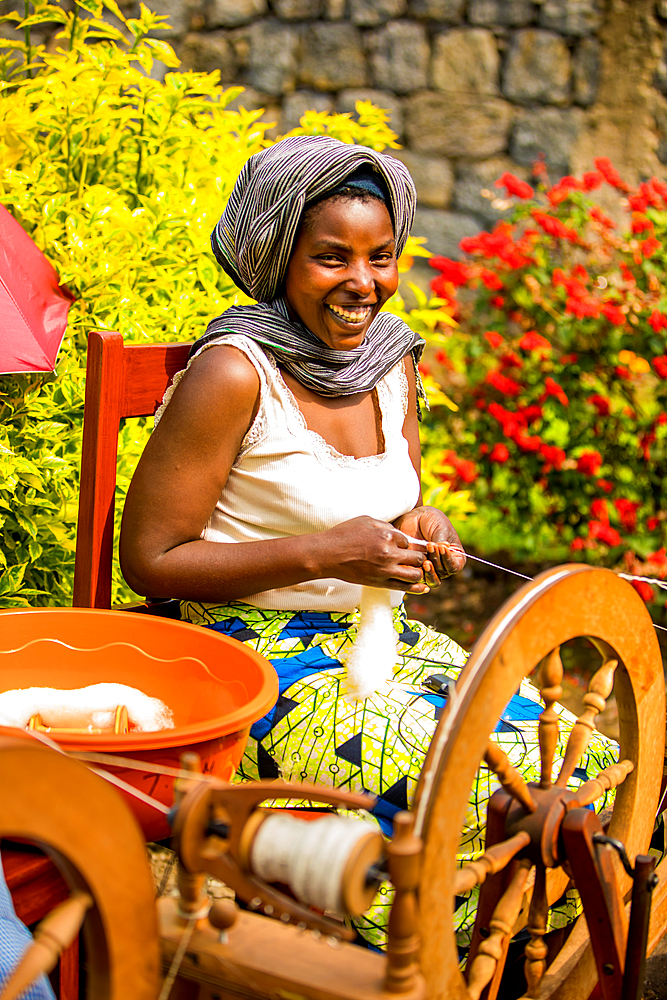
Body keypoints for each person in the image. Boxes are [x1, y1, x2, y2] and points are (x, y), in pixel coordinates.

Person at [120, 135, 618, 952]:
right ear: (280, 259)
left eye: (380, 257)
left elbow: (400, 509)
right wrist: (321, 554)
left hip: (377, 640)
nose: (364, 283)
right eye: (330, 258)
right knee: (451, 786)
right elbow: (149, 561)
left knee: (572, 761)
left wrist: (422, 530)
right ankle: (421, 958)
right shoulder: (235, 372)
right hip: (246, 661)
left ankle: (515, 950)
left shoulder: (388, 364)